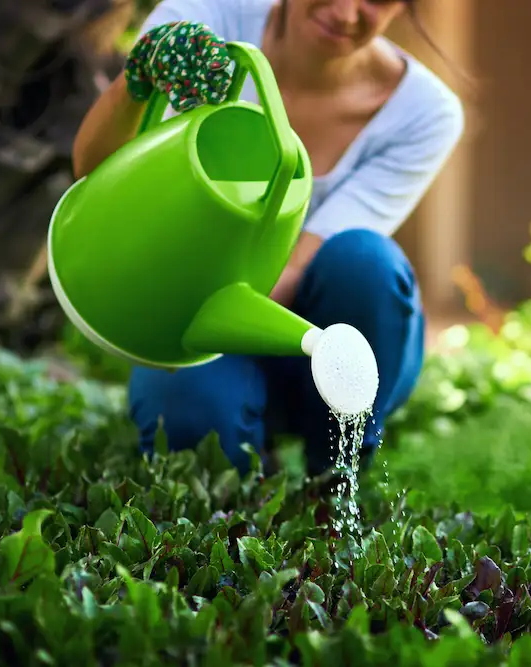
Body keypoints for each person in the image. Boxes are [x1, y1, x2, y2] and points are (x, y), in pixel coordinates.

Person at [71, 0, 465, 479]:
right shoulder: (208, 22)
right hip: (204, 321)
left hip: (329, 323)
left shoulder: (423, 112)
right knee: (191, 423)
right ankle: (242, 470)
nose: (345, 13)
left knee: (367, 261)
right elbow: (96, 177)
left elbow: (299, 264)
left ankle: (334, 479)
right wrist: (136, 84)